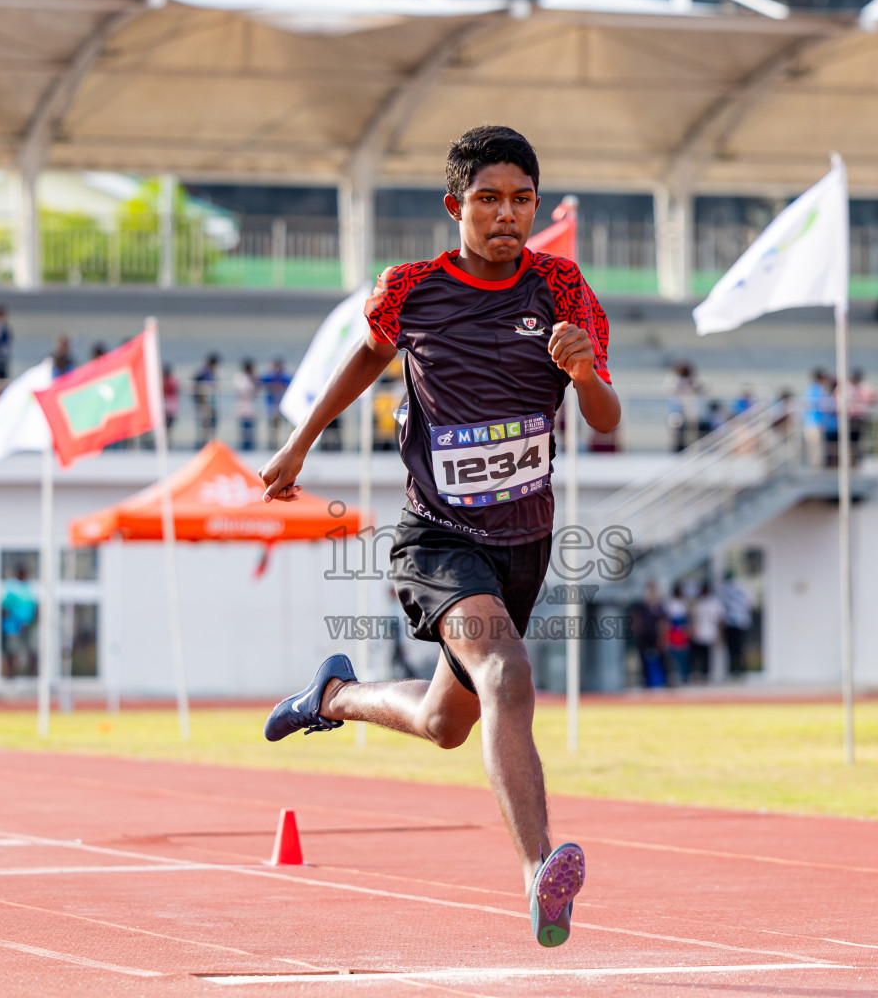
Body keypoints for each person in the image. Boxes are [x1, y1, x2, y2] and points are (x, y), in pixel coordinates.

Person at [258, 126, 616, 948]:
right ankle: (538, 873)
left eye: (522, 199)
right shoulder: (412, 288)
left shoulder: (564, 288)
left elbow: (605, 417)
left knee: (444, 721)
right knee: (508, 673)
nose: (507, 214)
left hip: (522, 543)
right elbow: (364, 356)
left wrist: (585, 372)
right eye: (489, 199)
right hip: (438, 535)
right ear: (456, 206)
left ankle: (333, 698)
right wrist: (300, 442)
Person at [627, 581, 667, 688]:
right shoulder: (641, 606)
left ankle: (659, 681)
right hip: (644, 638)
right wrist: (637, 631)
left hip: (655, 638)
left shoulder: (658, 607)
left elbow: (662, 623)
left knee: (659, 660)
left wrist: (661, 638)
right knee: (644, 660)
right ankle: (647, 681)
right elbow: (636, 620)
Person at [0, 566, 38, 679]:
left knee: (31, 651)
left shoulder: (29, 588)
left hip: (27, 627)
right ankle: (11, 675)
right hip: (13, 628)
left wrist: (30, 623)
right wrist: (16, 621)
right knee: (12, 651)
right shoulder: (11, 589)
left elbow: (34, 608)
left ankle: (31, 675)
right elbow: (5, 608)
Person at [718, 569, 752, 676]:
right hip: (742, 622)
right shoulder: (743, 588)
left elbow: (721, 608)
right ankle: (741, 670)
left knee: (732, 649)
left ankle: (734, 671)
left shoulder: (723, 589)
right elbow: (751, 604)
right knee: (740, 647)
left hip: (731, 622)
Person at [689, 581, 722, 683]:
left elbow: (719, 619)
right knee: (698, 654)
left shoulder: (714, 603)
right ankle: (698, 673)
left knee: (707, 654)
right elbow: (693, 617)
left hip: (709, 632)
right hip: (699, 631)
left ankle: (707, 674)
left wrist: (720, 633)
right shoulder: (698, 603)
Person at [259, 358, 291, 449]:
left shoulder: (284, 377)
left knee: (284, 428)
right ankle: (273, 445)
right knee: (273, 428)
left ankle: (285, 446)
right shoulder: (269, 377)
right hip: (272, 407)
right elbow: (260, 381)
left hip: (283, 407)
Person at [663, 583, 691, 684]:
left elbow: (687, 617)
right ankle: (674, 675)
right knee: (673, 654)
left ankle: (684, 675)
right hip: (673, 630)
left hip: (682, 629)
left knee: (683, 655)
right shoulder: (670, 603)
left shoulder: (684, 602)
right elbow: (667, 620)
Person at [193, 353, 220, 445]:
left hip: (211, 402)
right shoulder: (203, 373)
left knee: (211, 424)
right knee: (205, 425)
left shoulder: (210, 373)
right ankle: (203, 444)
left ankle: (209, 443)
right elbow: (197, 387)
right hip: (204, 403)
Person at [235, 359, 258, 451]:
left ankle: (249, 446)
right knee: (244, 428)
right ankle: (244, 447)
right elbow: (243, 391)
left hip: (250, 406)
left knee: (250, 428)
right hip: (243, 406)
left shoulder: (252, 378)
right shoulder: (241, 378)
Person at [162, 362, 181, 435]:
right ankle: (168, 442)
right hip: (172, 407)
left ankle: (166, 441)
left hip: (166, 406)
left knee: (165, 427)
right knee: (169, 428)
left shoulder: (164, 381)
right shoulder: (174, 381)